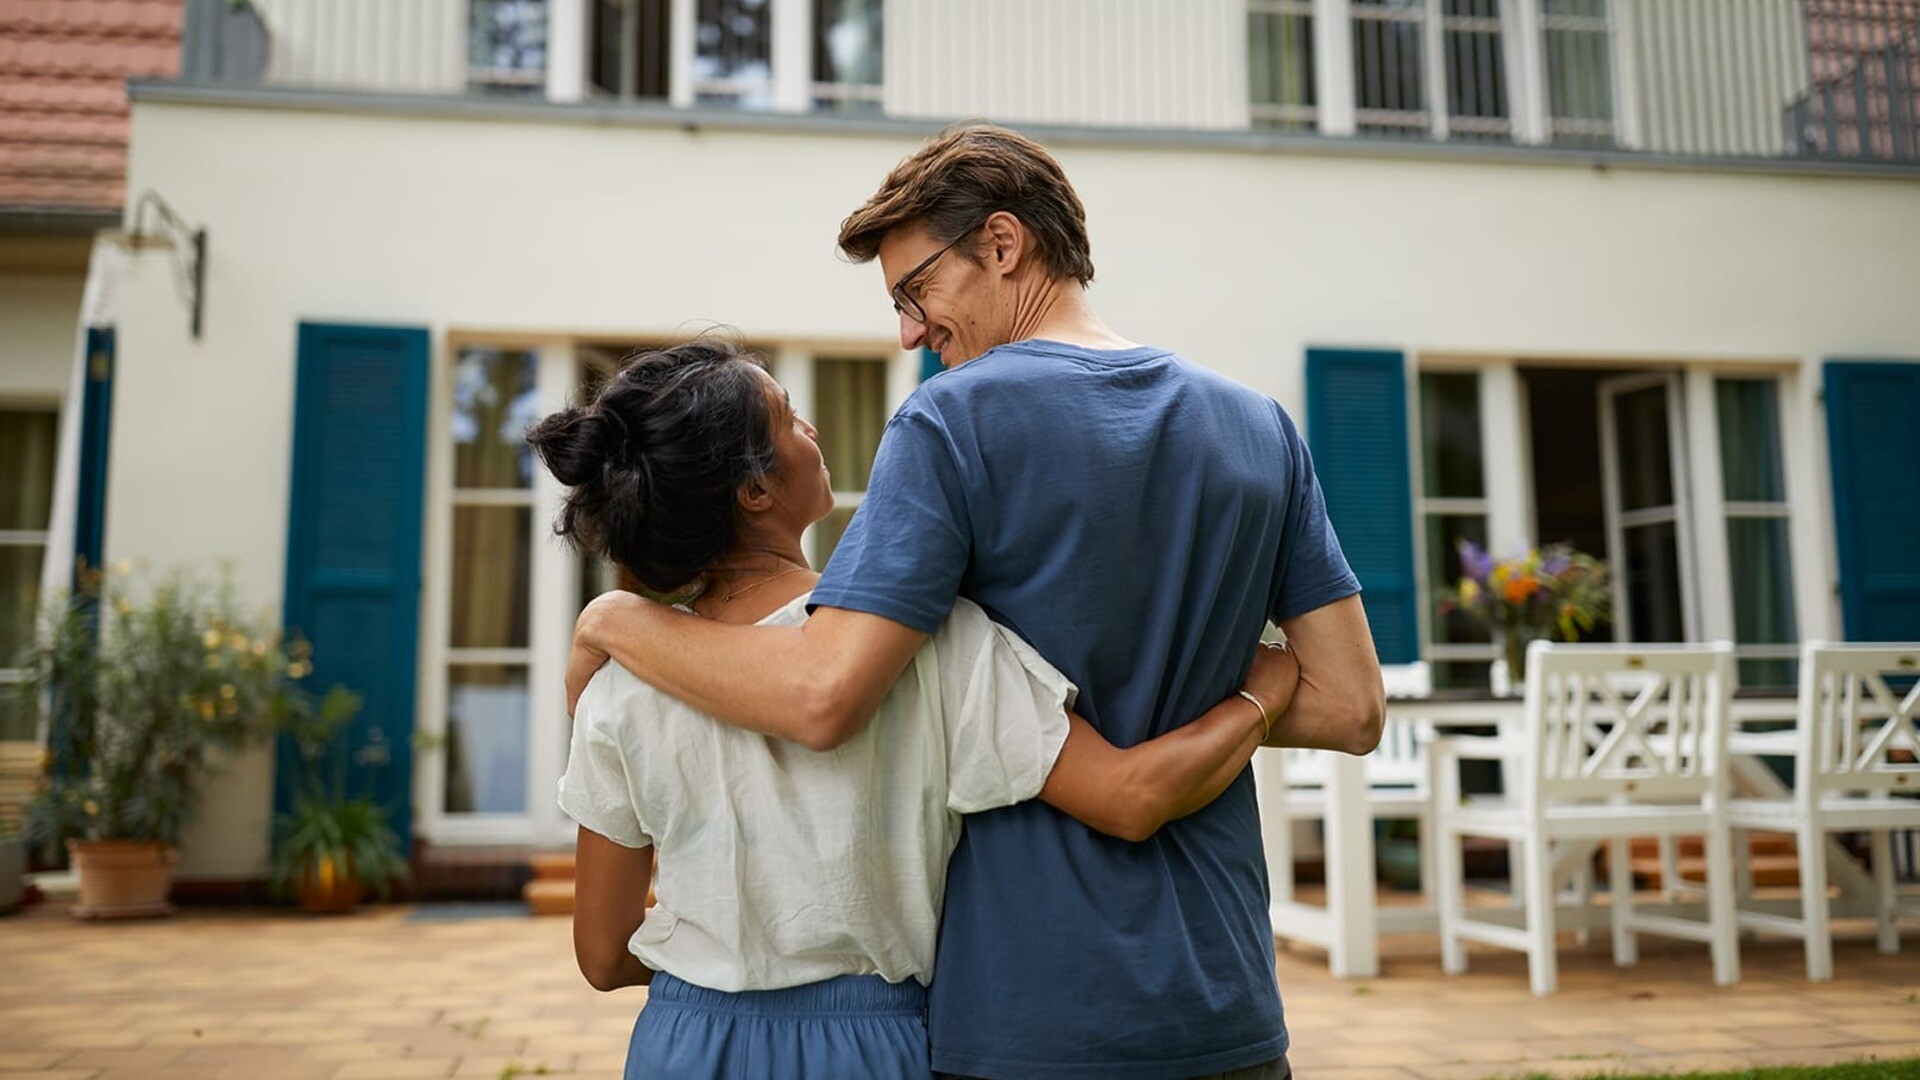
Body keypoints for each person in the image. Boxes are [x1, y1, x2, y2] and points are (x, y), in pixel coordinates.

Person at [567, 125, 1385, 1079]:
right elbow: (1354, 708)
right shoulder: (1259, 426)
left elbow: (823, 692)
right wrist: (1255, 685)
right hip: (1225, 997)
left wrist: (616, 617)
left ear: (1003, 247)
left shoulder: (953, 420)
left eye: (916, 291)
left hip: (1020, 1011)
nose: (910, 331)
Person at [532, 339, 1304, 1079]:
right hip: (875, 1047)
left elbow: (603, 955)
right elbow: (1131, 798)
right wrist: (1263, 693)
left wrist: (719, 960)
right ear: (756, 490)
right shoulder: (931, 643)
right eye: (790, 417)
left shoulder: (619, 682)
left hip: (684, 1041)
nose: (813, 429)